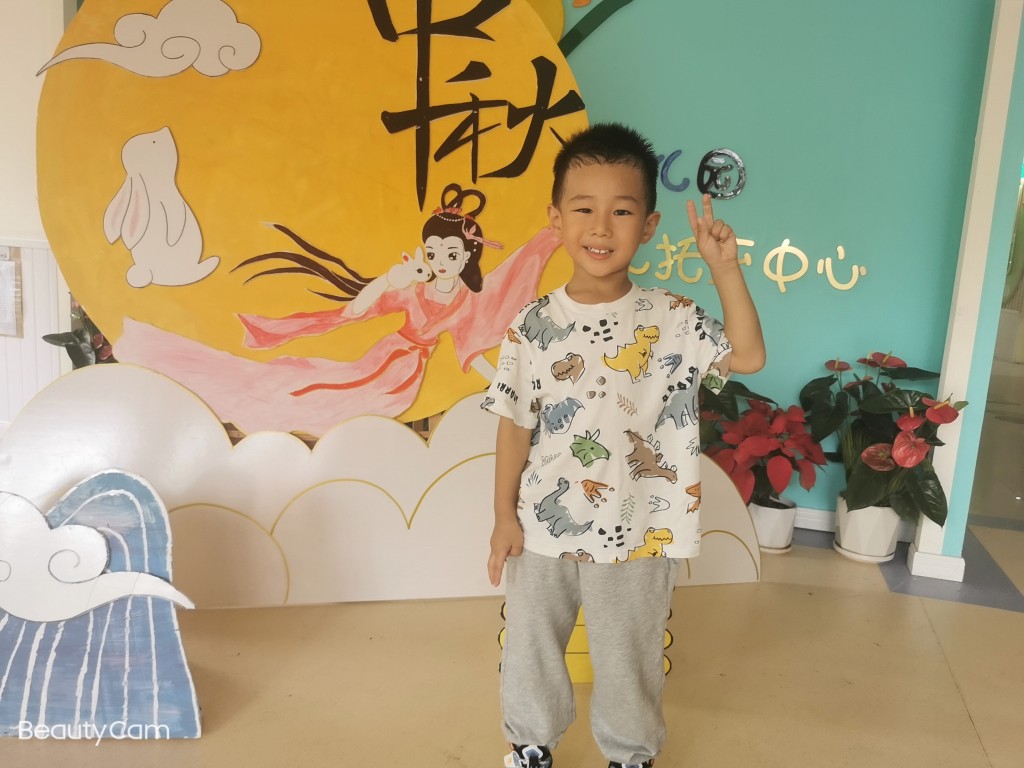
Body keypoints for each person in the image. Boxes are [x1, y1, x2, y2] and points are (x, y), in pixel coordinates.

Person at [482, 123, 765, 768]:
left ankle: (630, 754)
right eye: (584, 208)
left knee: (628, 653)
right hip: (543, 524)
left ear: (649, 225)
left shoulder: (673, 317)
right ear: (556, 219)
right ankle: (530, 744)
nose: (601, 227)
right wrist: (503, 516)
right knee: (530, 644)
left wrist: (724, 268)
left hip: (639, 528)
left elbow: (747, 355)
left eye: (622, 211)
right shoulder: (532, 324)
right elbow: (514, 423)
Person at [116, 184, 561, 436]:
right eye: (432, 251)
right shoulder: (411, 289)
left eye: (450, 253)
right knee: (305, 385)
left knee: (331, 402)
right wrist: (388, 281)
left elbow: (473, 352)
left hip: (405, 379)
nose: (440, 260)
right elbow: (355, 310)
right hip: (381, 357)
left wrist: (507, 386)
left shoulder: (466, 303)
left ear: (467, 256)